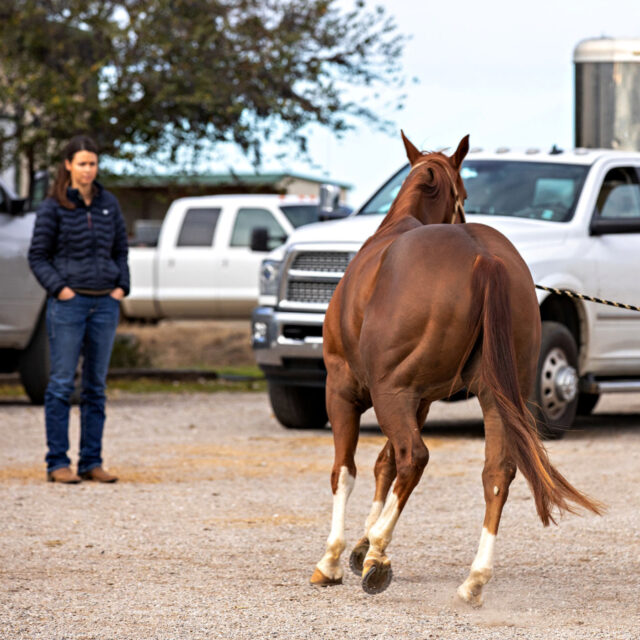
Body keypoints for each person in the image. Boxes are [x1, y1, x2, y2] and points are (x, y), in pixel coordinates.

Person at [28, 135, 129, 484]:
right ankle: (58, 462)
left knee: (95, 387)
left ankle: (92, 461)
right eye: (83, 163)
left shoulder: (108, 204)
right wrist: (62, 290)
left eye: (93, 163)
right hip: (70, 304)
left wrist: (121, 287)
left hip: (105, 303)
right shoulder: (53, 207)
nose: (89, 170)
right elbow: (37, 256)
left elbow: (121, 250)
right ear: (69, 165)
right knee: (60, 385)